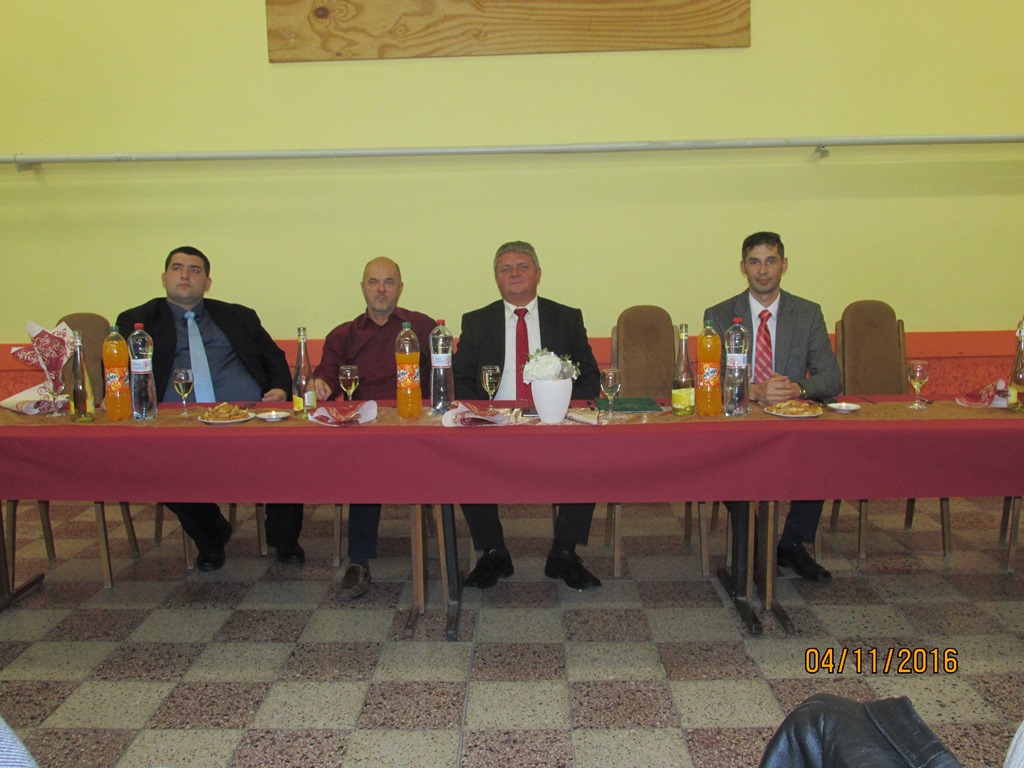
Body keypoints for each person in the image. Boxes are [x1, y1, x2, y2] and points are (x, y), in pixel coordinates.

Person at [116, 246, 305, 571]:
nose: (185, 275)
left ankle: (283, 538)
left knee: (287, 454)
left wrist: (279, 388)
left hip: (246, 416)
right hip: (177, 422)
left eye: (195, 269)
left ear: (207, 282)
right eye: (177, 267)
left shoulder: (239, 316)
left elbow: (273, 357)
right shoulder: (138, 321)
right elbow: (120, 372)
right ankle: (211, 537)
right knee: (158, 467)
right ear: (164, 278)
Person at [453, 240, 602, 590]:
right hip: (495, 422)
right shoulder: (476, 321)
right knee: (463, 455)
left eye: (522, 266)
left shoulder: (566, 317)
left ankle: (564, 553)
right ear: (496, 278)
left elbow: (589, 376)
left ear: (538, 273)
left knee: (588, 455)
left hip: (553, 421)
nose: (514, 274)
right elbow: (461, 378)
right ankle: (493, 552)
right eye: (505, 268)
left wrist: (564, 411)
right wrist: (481, 415)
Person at [704, 231, 841, 581]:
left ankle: (791, 544)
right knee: (729, 460)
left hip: (790, 420)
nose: (763, 271)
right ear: (743, 267)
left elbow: (832, 378)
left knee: (821, 454)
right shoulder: (719, 315)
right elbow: (710, 380)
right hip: (738, 420)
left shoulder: (807, 313)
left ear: (784, 265)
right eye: (754, 262)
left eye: (770, 261)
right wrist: (753, 391)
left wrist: (797, 387)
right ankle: (752, 543)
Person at [312, 256, 434, 599]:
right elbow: (325, 377)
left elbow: (445, 374)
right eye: (373, 282)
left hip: (414, 428)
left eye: (389, 282)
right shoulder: (343, 335)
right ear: (363, 288)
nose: (381, 289)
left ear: (400, 288)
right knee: (365, 463)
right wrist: (319, 384)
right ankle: (359, 561)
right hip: (365, 431)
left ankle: (445, 550)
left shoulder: (422, 327)